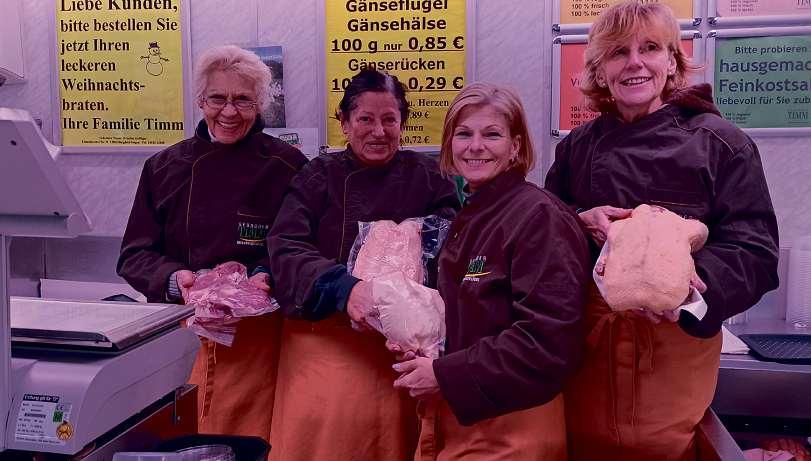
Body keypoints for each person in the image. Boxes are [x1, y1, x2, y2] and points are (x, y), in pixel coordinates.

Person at [544, 3, 780, 460]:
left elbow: (755, 253)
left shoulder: (721, 144)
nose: (634, 63)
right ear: (600, 70)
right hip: (586, 354)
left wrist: (690, 290)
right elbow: (545, 242)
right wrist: (578, 219)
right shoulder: (576, 149)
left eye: (650, 48)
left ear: (672, 61)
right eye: (618, 52)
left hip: (673, 350)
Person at [117, 45, 307, 445]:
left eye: (243, 100)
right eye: (218, 98)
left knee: (246, 441)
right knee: (182, 437)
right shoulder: (164, 167)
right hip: (180, 334)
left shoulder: (288, 165)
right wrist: (177, 280)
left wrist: (264, 276)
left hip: (256, 341)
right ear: (201, 100)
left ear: (260, 105)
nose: (229, 112)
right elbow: (134, 255)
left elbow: (299, 248)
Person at [267, 69, 460, 461]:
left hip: (405, 351)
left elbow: (455, 249)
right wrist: (345, 288)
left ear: (403, 122)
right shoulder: (317, 176)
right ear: (344, 122)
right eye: (365, 119)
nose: (379, 131)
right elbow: (286, 247)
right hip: (326, 343)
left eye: (389, 119)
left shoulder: (430, 177)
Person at [392, 82, 591, 460]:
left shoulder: (538, 216)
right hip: (462, 414)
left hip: (514, 426)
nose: (476, 146)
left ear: (516, 146)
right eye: (464, 134)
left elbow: (548, 342)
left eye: (492, 134)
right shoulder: (471, 213)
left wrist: (445, 374)